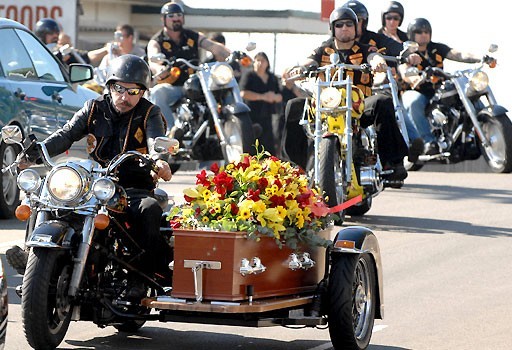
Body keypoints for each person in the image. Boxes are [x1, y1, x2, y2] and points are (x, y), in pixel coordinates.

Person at [8, 55, 173, 294]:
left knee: (149, 210)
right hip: (95, 183)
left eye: (133, 92)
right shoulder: (93, 107)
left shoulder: (150, 114)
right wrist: (34, 153)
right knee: (46, 198)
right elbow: (66, 134)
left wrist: (159, 161)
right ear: (109, 86)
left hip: (132, 186)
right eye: (119, 89)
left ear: (143, 92)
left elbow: (156, 141)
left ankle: (141, 276)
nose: (125, 97)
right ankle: (32, 257)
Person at [282, 7, 408, 180]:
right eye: (339, 24)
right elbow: (308, 61)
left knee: (383, 102)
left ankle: (392, 163)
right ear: (333, 28)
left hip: (359, 105)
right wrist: (298, 70)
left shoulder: (365, 48)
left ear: (356, 28)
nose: (344, 28)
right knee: (294, 106)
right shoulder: (323, 50)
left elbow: (374, 57)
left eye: (349, 24)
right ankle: (296, 167)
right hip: (326, 106)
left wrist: (378, 63)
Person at [343, 0, 423, 162]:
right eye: (342, 23)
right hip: (341, 96)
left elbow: (394, 47)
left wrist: (408, 55)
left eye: (355, 21)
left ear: (363, 22)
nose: (347, 27)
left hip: (372, 91)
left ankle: (397, 156)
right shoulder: (332, 45)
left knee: (389, 103)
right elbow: (312, 59)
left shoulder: (372, 40)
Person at [399, 18, 487, 155]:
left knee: (469, 94)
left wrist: (481, 57)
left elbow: (458, 54)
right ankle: (428, 142)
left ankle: (478, 131)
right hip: (417, 91)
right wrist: (413, 78)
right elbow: (403, 68)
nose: (424, 34)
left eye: (426, 31)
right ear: (411, 34)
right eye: (419, 32)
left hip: (438, 91)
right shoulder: (408, 53)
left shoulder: (436, 48)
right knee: (413, 101)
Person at [147, 2, 231, 130]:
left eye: (179, 15)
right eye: (171, 15)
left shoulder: (193, 36)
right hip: (174, 87)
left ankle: (235, 125)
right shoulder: (156, 41)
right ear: (163, 19)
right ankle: (170, 132)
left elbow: (212, 46)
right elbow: (152, 59)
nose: (176, 18)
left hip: (196, 84)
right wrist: (159, 68)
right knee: (158, 92)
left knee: (225, 87)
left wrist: (232, 54)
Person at [239, 51, 282, 155]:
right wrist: (262, 97)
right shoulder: (249, 76)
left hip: (268, 116)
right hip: (251, 115)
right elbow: (243, 93)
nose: (260, 63)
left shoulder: (272, 78)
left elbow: (280, 96)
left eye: (262, 60)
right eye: (257, 60)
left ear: (267, 63)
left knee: (269, 146)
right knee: (251, 144)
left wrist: (273, 97)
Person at [34, 18, 109, 66]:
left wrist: (106, 50)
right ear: (41, 35)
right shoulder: (33, 52)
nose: (55, 36)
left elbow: (86, 57)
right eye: (50, 33)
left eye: (57, 33)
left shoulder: (63, 52)